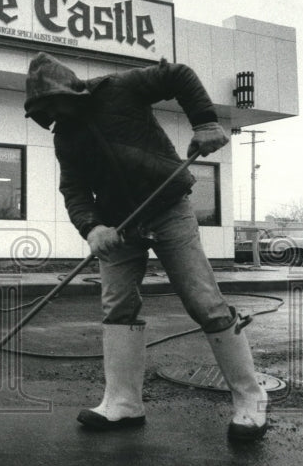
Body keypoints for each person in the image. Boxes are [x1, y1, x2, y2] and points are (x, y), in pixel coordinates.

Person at [24, 52, 268, 442]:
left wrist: (205, 122)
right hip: (118, 226)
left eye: (51, 103)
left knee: (203, 300)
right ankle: (123, 403)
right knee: (116, 305)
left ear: (66, 90)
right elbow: (73, 189)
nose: (50, 114)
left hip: (168, 208)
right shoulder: (66, 137)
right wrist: (92, 227)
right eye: (43, 109)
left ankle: (250, 401)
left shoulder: (119, 87)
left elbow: (179, 76)